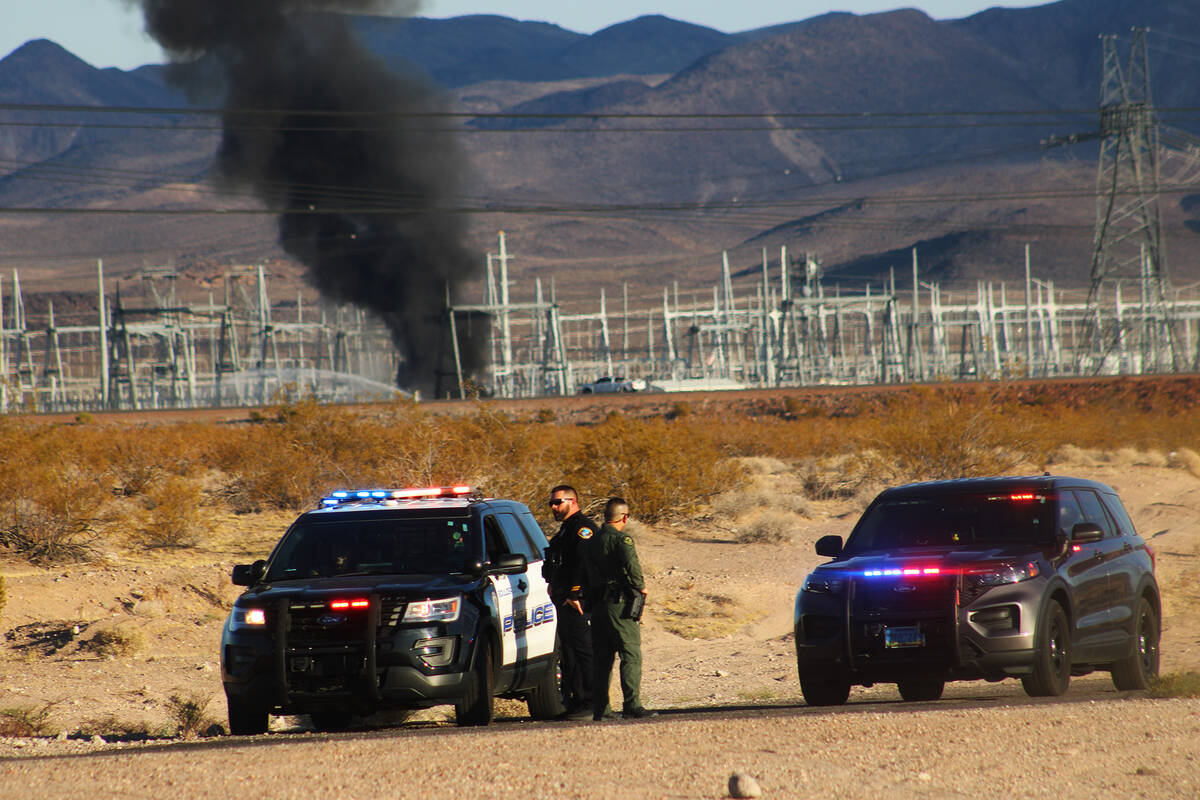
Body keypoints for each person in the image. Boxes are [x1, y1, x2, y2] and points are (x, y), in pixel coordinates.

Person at [584, 496, 655, 720]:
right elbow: (632, 567)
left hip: (597, 606)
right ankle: (632, 705)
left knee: (602, 659)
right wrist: (640, 587)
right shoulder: (622, 540)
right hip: (619, 604)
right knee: (630, 653)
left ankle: (601, 710)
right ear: (624, 517)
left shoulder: (591, 540)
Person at [543, 484, 597, 720]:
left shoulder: (582, 528)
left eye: (558, 502)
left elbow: (585, 563)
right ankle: (575, 702)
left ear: (573, 502)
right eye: (551, 503)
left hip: (577, 601)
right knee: (569, 652)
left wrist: (575, 593)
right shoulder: (566, 529)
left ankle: (591, 702)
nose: (554, 507)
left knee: (583, 651)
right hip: (563, 599)